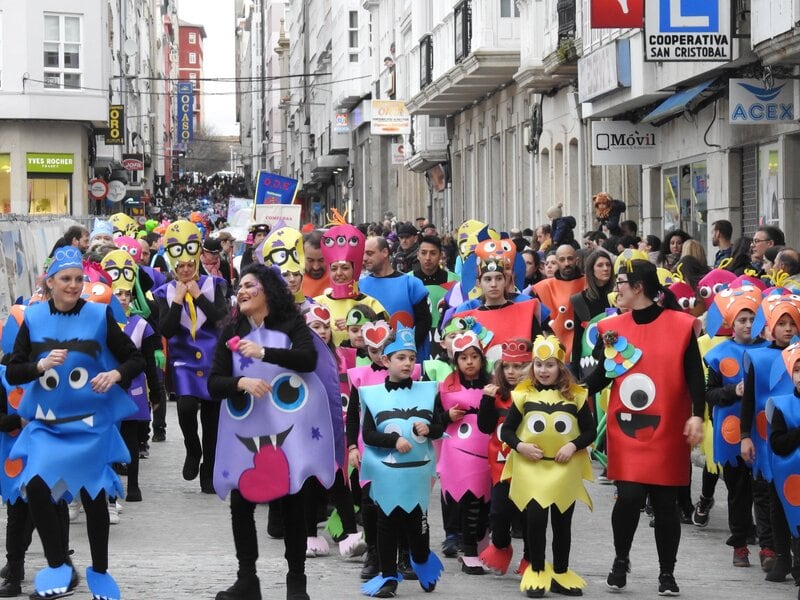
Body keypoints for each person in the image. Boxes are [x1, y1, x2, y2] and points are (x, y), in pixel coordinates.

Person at [7, 246, 145, 600]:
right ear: (49, 282)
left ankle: (99, 569)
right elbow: (15, 368)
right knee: (36, 486)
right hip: (47, 424)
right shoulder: (34, 319)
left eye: (78, 279)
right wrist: (39, 366)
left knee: (93, 492)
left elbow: (135, 359)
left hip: (90, 422)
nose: (72, 285)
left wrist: (114, 374)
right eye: (65, 279)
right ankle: (60, 566)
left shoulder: (99, 317)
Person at [208, 263, 340, 600]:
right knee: (241, 503)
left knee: (294, 501)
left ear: (267, 289)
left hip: (288, 427)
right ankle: (247, 579)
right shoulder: (233, 328)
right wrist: (241, 382)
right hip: (247, 428)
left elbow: (308, 359)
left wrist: (264, 352)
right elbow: (214, 383)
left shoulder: (290, 321)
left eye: (249, 284)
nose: (242, 290)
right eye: (239, 286)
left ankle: (297, 582)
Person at [583, 259, 705, 595]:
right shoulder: (612, 327)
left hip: (669, 428)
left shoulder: (682, 325)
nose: (616, 288)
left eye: (621, 281)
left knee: (666, 504)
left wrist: (698, 415)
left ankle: (667, 572)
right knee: (629, 497)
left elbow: (696, 375)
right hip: (627, 429)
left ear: (638, 287)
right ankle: (621, 559)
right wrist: (570, 393)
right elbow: (602, 374)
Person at [501, 335, 596, 597]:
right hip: (532, 469)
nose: (544, 370)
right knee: (536, 520)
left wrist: (572, 445)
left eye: (550, 364)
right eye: (539, 365)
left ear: (561, 367)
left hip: (564, 469)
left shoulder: (575, 397)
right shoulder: (523, 395)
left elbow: (590, 432)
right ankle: (538, 569)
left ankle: (562, 573)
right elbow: (507, 431)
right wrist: (520, 446)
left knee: (562, 523)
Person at [359, 326, 444, 597]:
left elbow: (440, 426)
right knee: (386, 524)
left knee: (417, 526)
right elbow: (368, 434)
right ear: (386, 361)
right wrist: (394, 441)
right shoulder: (372, 395)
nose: (408, 363)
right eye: (401, 358)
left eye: (411, 357)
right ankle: (388, 577)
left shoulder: (428, 391)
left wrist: (429, 429)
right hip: (387, 473)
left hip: (417, 474)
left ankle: (421, 561)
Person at [153, 220, 229, 494]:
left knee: (212, 419)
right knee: (185, 407)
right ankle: (191, 448)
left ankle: (209, 471)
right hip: (184, 359)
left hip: (212, 358)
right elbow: (166, 328)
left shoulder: (214, 284)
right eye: (180, 266)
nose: (185, 270)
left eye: (189, 265)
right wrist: (177, 301)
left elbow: (222, 319)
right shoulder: (164, 292)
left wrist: (197, 296)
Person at [703, 284, 767, 567]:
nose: (748, 324)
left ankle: (769, 546)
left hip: (763, 433)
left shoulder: (771, 351)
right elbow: (709, 394)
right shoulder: (718, 354)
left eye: (752, 319)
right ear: (731, 323)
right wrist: (733, 392)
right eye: (742, 320)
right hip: (729, 436)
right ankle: (739, 543)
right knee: (738, 491)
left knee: (764, 491)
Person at [739, 295, 800, 580]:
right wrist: (744, 435)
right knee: (771, 496)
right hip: (768, 436)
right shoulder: (758, 356)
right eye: (781, 323)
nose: (788, 329)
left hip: (794, 435)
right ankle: (776, 553)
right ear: (769, 328)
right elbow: (749, 400)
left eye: (792, 323)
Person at [101, 250, 164, 503]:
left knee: (131, 438)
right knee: (109, 438)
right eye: (119, 294)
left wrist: (157, 391)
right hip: (107, 388)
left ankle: (134, 486)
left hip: (135, 389)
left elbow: (149, 362)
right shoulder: (99, 321)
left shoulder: (141, 324)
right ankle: (112, 489)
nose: (124, 298)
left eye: (127, 293)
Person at [436, 331, 493, 574]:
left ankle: (480, 546)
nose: (469, 362)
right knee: (469, 500)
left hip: (489, 452)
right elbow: (434, 424)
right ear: (455, 361)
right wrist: (447, 416)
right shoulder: (445, 388)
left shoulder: (493, 386)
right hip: (459, 455)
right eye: (463, 358)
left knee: (486, 505)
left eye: (474, 357)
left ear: (482, 359)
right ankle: (468, 550)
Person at [477, 339, 532, 576]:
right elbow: (484, 426)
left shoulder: (535, 395)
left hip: (531, 467)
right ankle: (501, 545)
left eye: (519, 367)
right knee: (498, 514)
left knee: (531, 518)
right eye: (507, 367)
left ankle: (531, 559)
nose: (512, 372)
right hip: (501, 467)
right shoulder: (496, 394)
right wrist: (487, 401)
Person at [313, 222, 386, 346]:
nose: (339, 273)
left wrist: (355, 326)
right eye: (334, 268)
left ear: (355, 270)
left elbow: (383, 342)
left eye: (345, 268)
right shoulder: (316, 303)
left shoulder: (372, 304)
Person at [361, 236, 430, 357]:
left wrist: (406, 350)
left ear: (384, 252)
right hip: (369, 359)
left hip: (404, 358)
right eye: (364, 254)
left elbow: (423, 322)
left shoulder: (411, 284)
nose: (365, 258)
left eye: (369, 253)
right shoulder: (360, 286)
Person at [766, 342, 800, 590]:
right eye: (797, 369)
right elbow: (778, 444)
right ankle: (788, 559)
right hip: (790, 477)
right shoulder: (781, 405)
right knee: (790, 516)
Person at [533, 244, 586, 358]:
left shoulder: (588, 283)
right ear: (557, 262)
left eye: (570, 258)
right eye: (562, 259)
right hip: (554, 351)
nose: (566, 263)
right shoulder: (542, 288)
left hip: (584, 350)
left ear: (577, 260)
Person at [411, 236, 460, 357]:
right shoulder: (408, 280)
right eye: (423, 253)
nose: (428, 258)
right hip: (417, 336)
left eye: (433, 253)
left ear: (440, 255)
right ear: (418, 255)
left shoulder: (454, 281)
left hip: (446, 336)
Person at [570, 250, 613, 378]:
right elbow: (578, 337)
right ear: (591, 270)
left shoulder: (619, 295)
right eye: (600, 265)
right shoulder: (579, 299)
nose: (605, 269)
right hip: (590, 360)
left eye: (608, 264)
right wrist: (575, 369)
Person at [301, 230, 331, 298]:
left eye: (321, 260)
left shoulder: (339, 279)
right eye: (310, 260)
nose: (316, 267)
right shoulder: (292, 281)